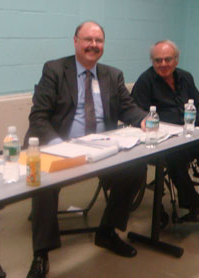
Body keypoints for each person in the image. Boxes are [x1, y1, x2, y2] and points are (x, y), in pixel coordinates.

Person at [24, 21, 148, 278]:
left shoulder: (113, 75)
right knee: (44, 182)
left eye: (99, 41)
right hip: (59, 145)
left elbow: (128, 108)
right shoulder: (55, 70)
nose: (93, 45)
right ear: (76, 41)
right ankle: (41, 253)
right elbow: (38, 117)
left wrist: (145, 119)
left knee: (135, 167)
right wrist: (60, 146)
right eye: (88, 40)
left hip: (101, 148)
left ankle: (107, 231)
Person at [131, 39, 199, 223]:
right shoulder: (145, 81)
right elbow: (137, 112)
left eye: (167, 59)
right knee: (175, 156)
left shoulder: (186, 77)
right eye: (157, 60)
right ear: (152, 62)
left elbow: (198, 105)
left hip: (188, 134)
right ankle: (194, 204)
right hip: (164, 141)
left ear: (176, 60)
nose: (163, 64)